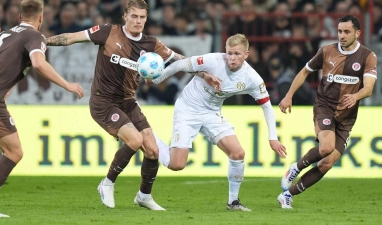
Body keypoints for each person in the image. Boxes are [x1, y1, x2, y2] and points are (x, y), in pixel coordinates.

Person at [45, 0, 220, 211]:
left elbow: (179, 60)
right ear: (125, 16)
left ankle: (144, 196)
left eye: (142, 17)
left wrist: (203, 74)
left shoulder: (151, 45)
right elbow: (71, 38)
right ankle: (107, 183)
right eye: (134, 16)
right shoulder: (108, 32)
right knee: (135, 140)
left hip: (128, 102)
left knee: (153, 150)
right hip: (103, 101)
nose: (138, 21)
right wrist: (41, 43)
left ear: (146, 19)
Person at [151, 33, 287, 211]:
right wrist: (157, 78)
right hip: (188, 109)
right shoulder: (213, 60)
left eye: (237, 54)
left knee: (238, 153)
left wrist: (273, 137)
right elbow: (179, 64)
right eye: (229, 53)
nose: (231, 58)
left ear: (246, 55)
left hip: (212, 112)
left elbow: (267, 107)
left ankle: (233, 202)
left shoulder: (252, 78)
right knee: (176, 165)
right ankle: (150, 139)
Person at [0, 0, 84, 217]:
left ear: (20, 17)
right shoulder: (34, 36)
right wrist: (67, 85)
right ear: (41, 18)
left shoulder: (4, 34)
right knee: (14, 152)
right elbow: (38, 63)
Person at [277, 15, 377, 209]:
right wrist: (289, 95)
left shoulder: (367, 56)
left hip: (347, 117)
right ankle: (295, 168)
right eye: (339, 31)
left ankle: (287, 195)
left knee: (327, 163)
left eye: (346, 32)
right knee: (326, 148)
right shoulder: (327, 51)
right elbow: (305, 71)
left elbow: (369, 88)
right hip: (325, 107)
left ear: (357, 33)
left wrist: (356, 97)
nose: (342, 35)